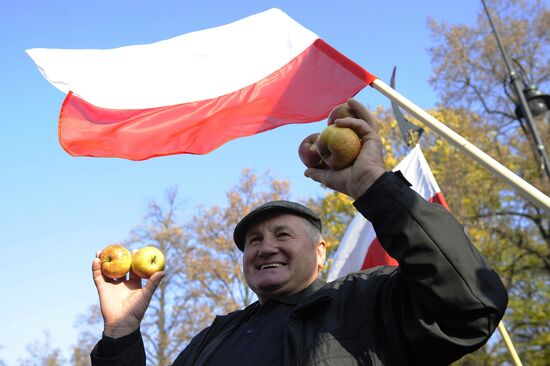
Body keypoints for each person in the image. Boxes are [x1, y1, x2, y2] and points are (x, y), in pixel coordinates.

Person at [90, 99, 508, 365]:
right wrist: (121, 333)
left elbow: (470, 307)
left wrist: (373, 187)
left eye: (282, 235)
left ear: (321, 252)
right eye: (254, 241)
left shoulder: (365, 304)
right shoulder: (212, 340)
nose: (265, 247)